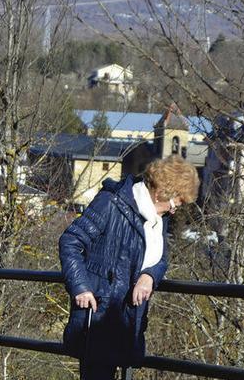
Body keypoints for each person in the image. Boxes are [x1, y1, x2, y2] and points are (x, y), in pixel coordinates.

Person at [59, 155, 199, 379]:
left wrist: (149, 276)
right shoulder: (110, 203)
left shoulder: (156, 219)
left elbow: (160, 259)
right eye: (176, 203)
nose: (174, 211)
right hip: (98, 318)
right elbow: (70, 242)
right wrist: (80, 287)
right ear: (162, 190)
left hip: (126, 321)